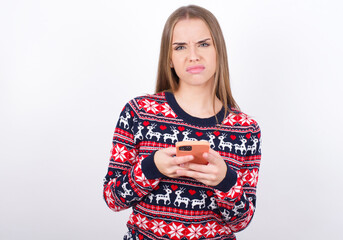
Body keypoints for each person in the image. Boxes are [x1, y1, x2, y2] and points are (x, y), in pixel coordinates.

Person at [103, 5, 261, 240]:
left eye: (204, 44)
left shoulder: (245, 130)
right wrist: (151, 167)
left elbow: (241, 221)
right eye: (180, 47)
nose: (193, 55)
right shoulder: (139, 112)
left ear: (219, 51)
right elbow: (112, 199)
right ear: (169, 59)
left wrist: (225, 180)